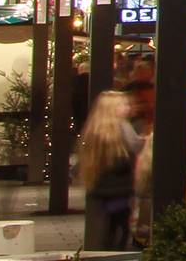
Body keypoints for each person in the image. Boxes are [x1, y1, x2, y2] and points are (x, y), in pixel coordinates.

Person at [76, 88, 146, 250]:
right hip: (117, 191)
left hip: (101, 190)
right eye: (122, 105)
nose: (127, 108)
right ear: (111, 109)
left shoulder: (94, 131)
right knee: (120, 231)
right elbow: (118, 162)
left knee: (111, 231)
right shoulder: (118, 130)